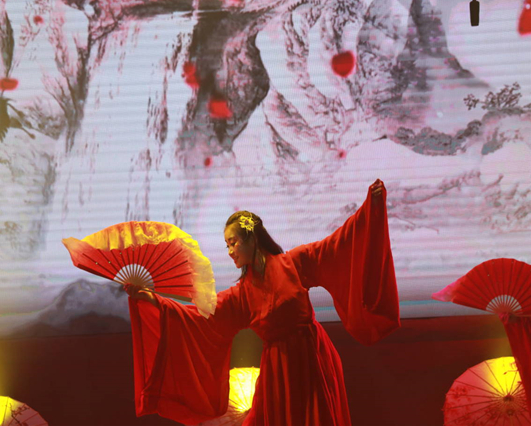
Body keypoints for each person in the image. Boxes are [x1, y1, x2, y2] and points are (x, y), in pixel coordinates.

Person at [125, 179, 400, 426]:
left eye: (233, 242)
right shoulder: (242, 295)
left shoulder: (294, 263)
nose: (230, 251)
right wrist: (154, 300)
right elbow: (201, 315)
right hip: (278, 373)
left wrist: (371, 208)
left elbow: (338, 244)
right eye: (227, 245)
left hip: (312, 360)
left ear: (252, 238)